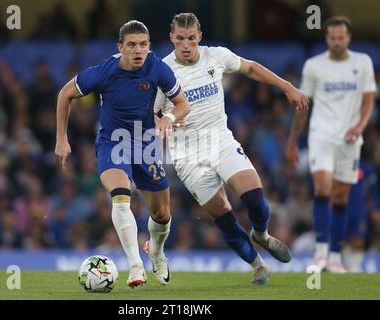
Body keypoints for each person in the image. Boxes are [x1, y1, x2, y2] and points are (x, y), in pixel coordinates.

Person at [154, 13, 308, 285]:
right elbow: (150, 113)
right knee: (223, 216)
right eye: (180, 39)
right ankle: (258, 266)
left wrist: (286, 86)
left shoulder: (216, 56)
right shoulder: (162, 71)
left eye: (191, 38)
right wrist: (162, 123)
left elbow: (249, 68)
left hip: (220, 142)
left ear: (199, 37)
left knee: (254, 198)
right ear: (172, 38)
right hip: (187, 156)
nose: (186, 44)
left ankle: (261, 234)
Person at [55, 20, 190, 287]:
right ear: (120, 47)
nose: (138, 50)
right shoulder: (104, 72)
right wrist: (61, 138)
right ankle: (135, 266)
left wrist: (169, 117)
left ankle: (157, 253)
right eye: (131, 45)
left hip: (146, 144)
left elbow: (183, 103)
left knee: (162, 214)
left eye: (143, 45)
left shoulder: (156, 67)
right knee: (120, 196)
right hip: (113, 142)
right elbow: (65, 94)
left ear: (149, 46)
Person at [286, 16, 377, 272]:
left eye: (341, 37)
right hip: (321, 135)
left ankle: (336, 257)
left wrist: (359, 128)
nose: (337, 42)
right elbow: (303, 106)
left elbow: (368, 101)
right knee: (322, 188)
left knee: (341, 196)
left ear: (348, 38)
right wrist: (293, 140)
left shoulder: (363, 63)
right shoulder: (314, 66)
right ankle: (320, 254)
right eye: (333, 37)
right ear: (327, 38)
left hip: (349, 138)